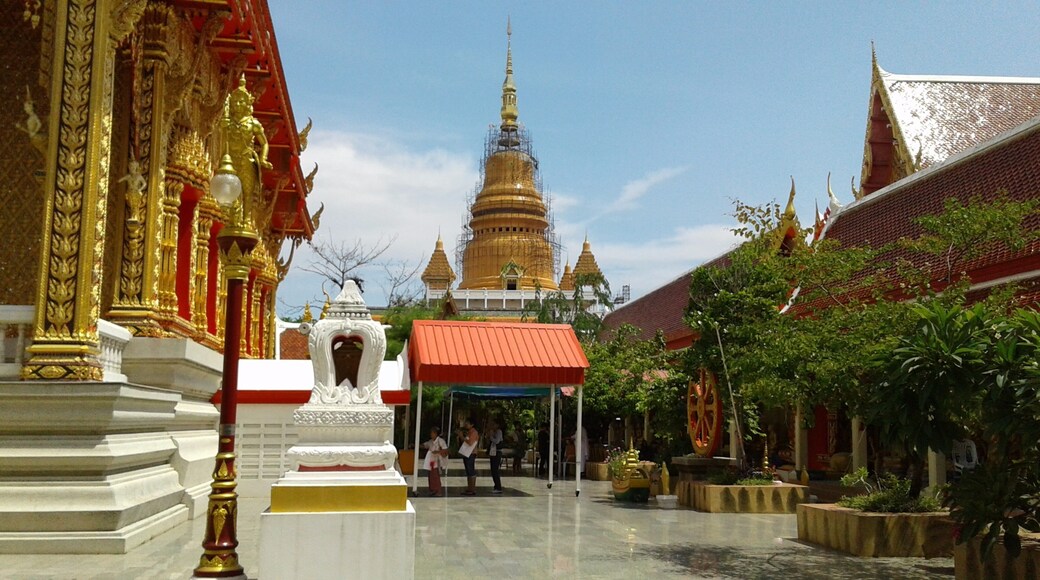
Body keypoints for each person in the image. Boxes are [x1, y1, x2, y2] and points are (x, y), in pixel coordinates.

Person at [423, 426, 448, 496]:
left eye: (432, 433)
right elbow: (425, 445)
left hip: (437, 461)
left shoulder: (441, 441)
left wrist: (437, 452)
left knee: (436, 476)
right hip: (431, 460)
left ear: (435, 433)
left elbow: (446, 450)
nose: (431, 434)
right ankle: (433, 489)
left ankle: (438, 491)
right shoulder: (431, 441)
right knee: (431, 475)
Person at [457, 417, 479, 496]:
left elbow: (470, 442)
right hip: (467, 453)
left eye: (467, 423)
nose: (466, 424)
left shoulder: (474, 432)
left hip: (471, 453)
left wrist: (461, 437)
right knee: (468, 471)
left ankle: (472, 489)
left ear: (472, 424)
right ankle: (470, 488)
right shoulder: (469, 432)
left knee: (471, 471)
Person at [487, 419, 504, 494]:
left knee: (495, 470)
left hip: (497, 452)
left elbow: (496, 441)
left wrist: (491, 436)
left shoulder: (499, 432)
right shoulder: (494, 432)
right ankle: (496, 485)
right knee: (493, 470)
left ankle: (498, 487)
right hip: (493, 452)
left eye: (493, 424)